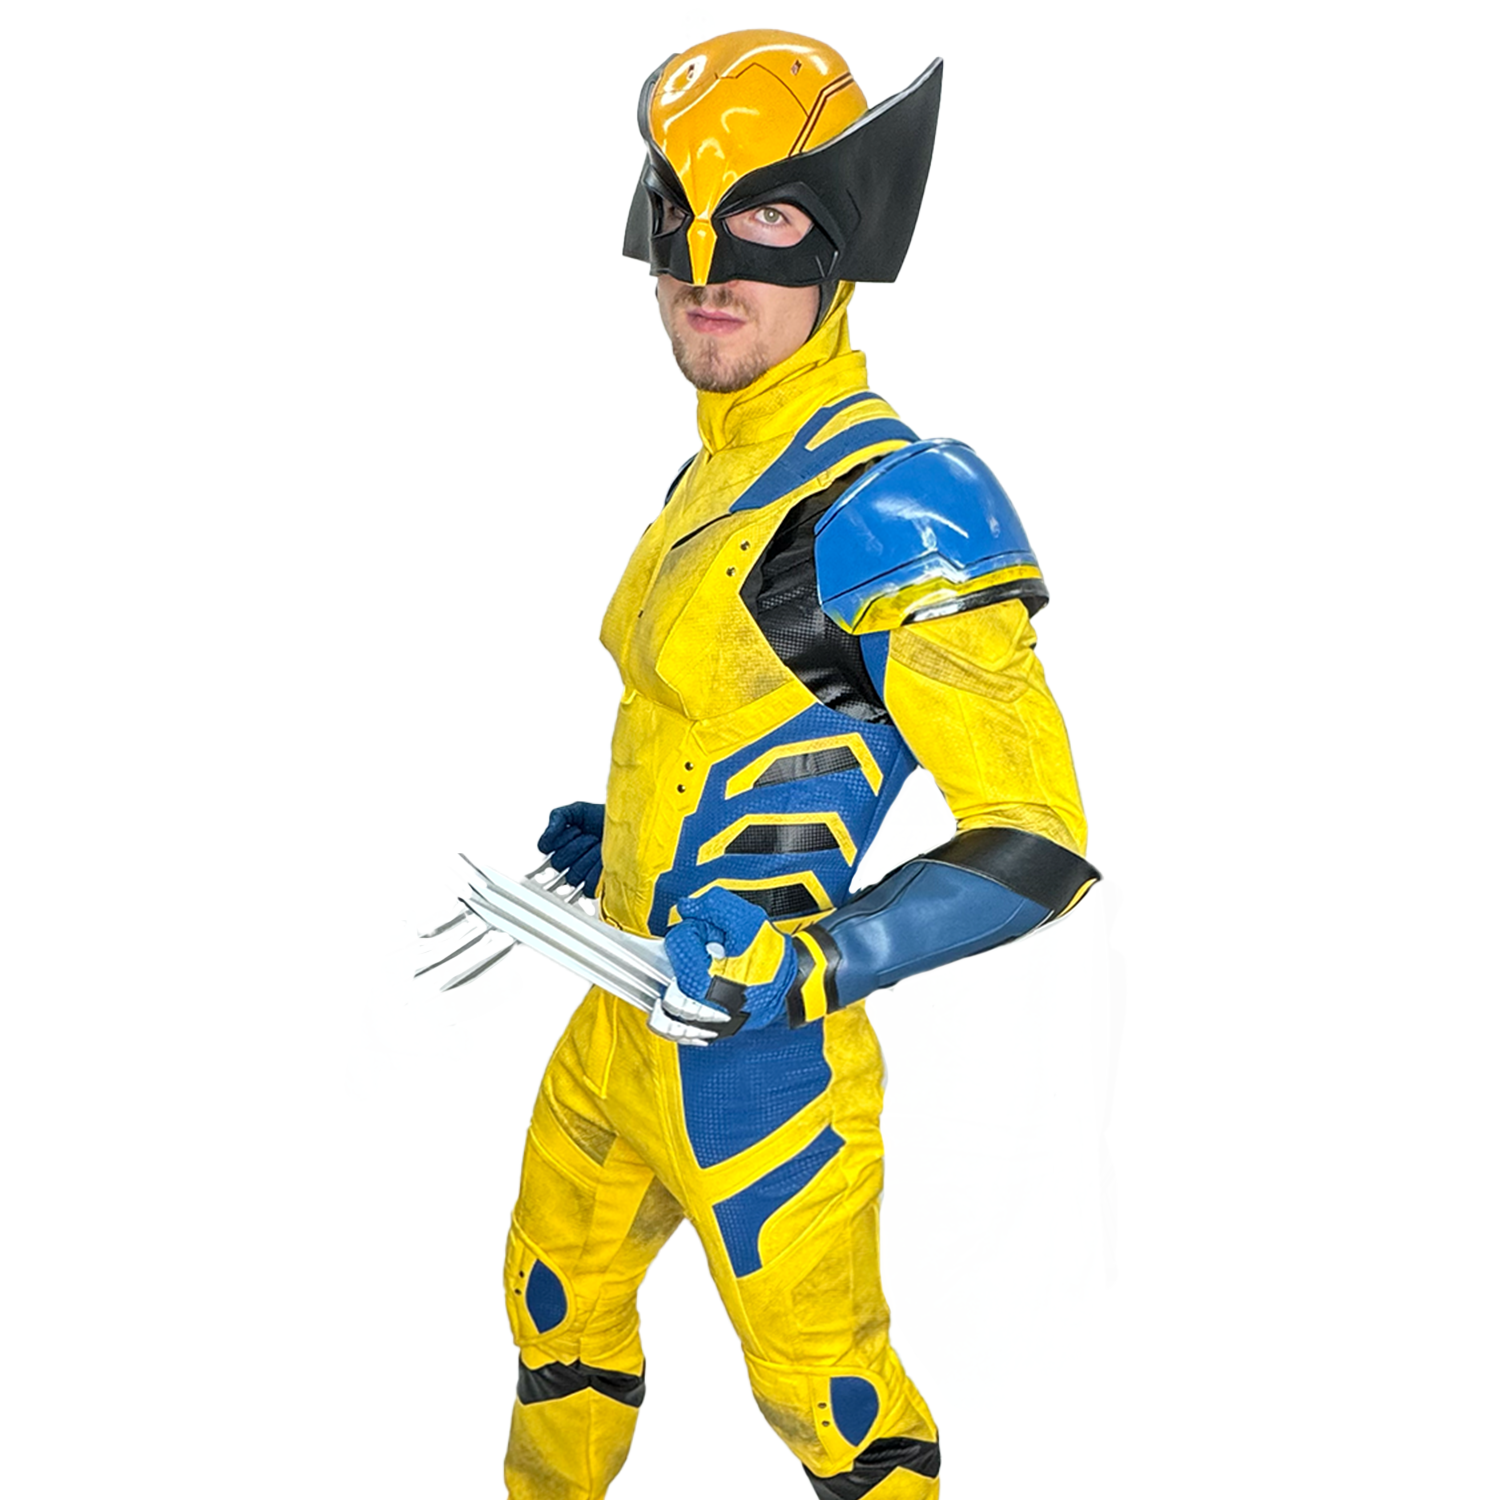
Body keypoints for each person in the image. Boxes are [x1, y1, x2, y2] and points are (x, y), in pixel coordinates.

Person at [499, 30, 1098, 1499]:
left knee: (834, 1406)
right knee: (554, 1316)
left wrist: (816, 957)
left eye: (763, 217)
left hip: (759, 1066)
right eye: (682, 215)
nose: (708, 266)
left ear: (842, 243)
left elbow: (1037, 841)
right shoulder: (714, 471)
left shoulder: (897, 503)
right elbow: (745, 726)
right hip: (618, 1005)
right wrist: (624, 830)